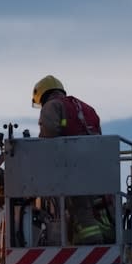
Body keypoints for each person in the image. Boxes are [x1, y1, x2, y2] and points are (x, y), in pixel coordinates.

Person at [31, 75, 114, 244]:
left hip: (72, 167)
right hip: (97, 168)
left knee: (81, 209)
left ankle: (89, 241)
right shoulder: (87, 108)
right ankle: (109, 236)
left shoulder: (51, 106)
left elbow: (49, 135)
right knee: (101, 206)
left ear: (43, 96)